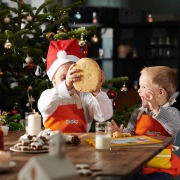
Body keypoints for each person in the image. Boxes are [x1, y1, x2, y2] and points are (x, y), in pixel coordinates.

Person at [111, 66, 180, 180]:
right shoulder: (138, 113)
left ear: (160, 92)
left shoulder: (172, 112)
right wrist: (121, 134)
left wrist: (156, 109)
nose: (139, 90)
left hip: (161, 170)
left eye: (143, 87)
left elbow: (174, 127)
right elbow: (131, 133)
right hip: (138, 166)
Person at [38, 39, 113, 133]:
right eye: (63, 78)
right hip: (54, 142)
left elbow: (104, 115)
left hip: (80, 144)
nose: (70, 81)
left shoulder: (84, 96)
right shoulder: (48, 95)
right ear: (53, 81)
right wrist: (65, 86)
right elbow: (44, 107)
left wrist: (96, 91)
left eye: (74, 77)